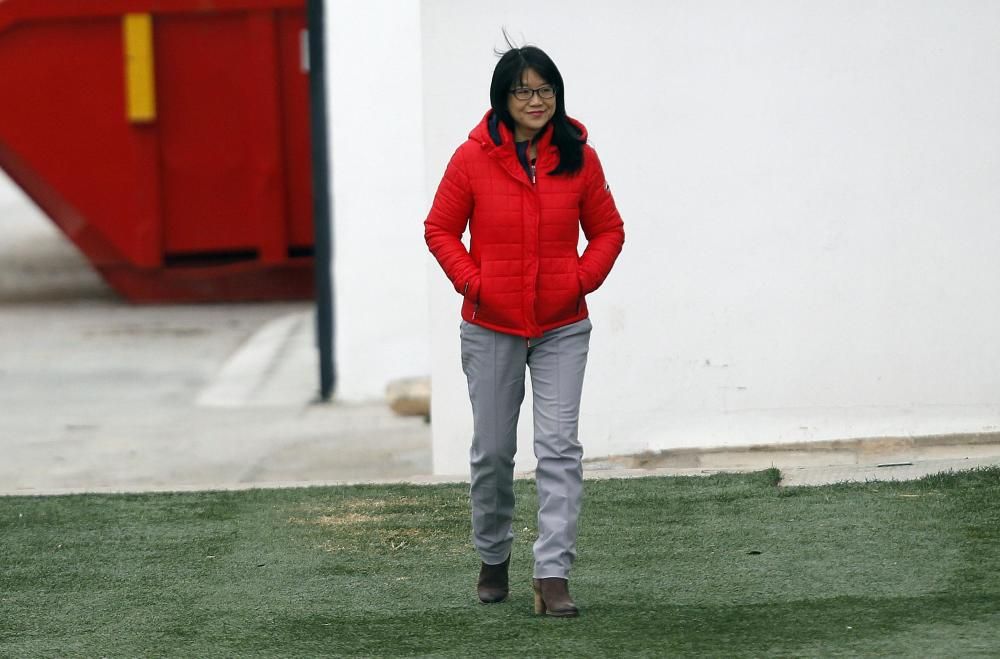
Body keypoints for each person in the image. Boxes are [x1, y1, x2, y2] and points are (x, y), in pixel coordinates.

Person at [424, 43, 624, 617]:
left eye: (546, 90)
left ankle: (552, 573)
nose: (536, 101)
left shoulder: (580, 158)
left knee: (560, 448)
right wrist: (475, 283)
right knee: (492, 451)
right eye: (524, 91)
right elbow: (440, 228)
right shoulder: (472, 158)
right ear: (503, 99)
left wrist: (577, 282)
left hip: (563, 326)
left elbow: (609, 230)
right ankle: (492, 558)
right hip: (491, 326)